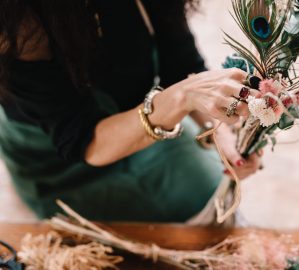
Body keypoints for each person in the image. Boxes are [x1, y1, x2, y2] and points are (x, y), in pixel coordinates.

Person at [0, 0, 262, 222]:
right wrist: (181, 97)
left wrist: (218, 129)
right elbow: (83, 139)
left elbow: (180, 61)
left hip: (140, 112)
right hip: (59, 160)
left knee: (215, 193)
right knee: (201, 198)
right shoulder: (18, 20)